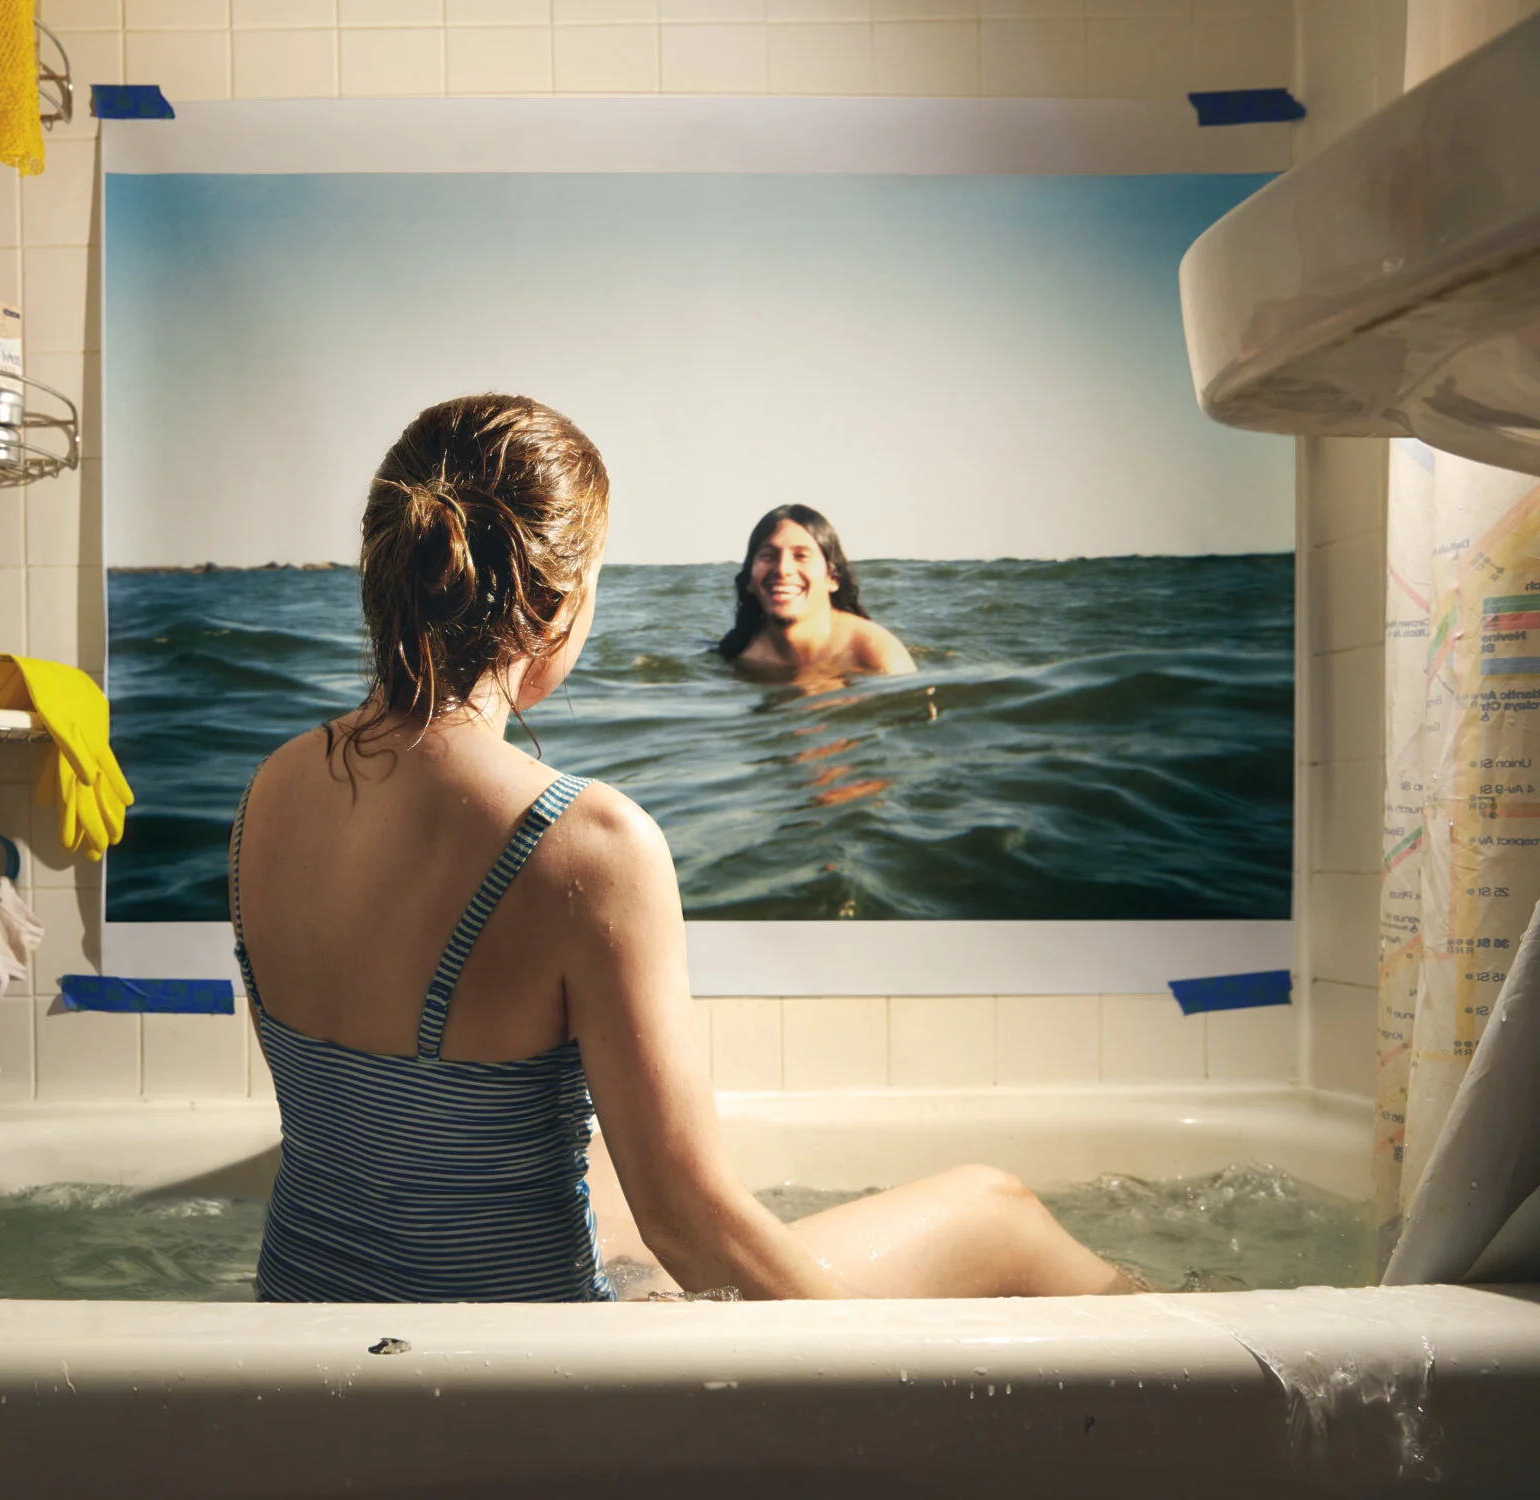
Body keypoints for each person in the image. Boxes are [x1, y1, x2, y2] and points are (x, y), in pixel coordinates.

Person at [229, 393, 1127, 1301]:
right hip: (513, 1384)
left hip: (305, 1330)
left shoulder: (267, 792)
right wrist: (869, 1369)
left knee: (612, 1172)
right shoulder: (586, 843)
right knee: (996, 1206)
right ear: (556, 606)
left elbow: (379, 1116)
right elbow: (691, 1229)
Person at [717, 504, 917, 679]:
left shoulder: (877, 654)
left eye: (801, 556)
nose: (782, 569)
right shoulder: (741, 654)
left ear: (832, 578)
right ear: (749, 580)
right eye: (768, 555)